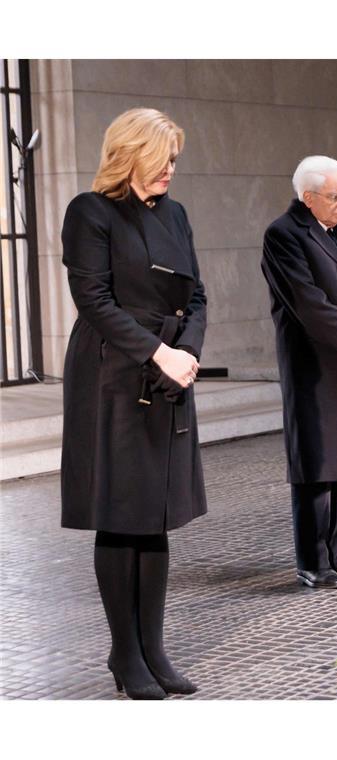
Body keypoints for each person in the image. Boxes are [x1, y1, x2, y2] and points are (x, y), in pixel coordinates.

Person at [60, 107, 206, 699]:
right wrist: (156, 353)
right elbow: (93, 299)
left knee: (157, 514)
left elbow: (196, 295)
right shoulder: (90, 212)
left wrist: (187, 353)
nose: (171, 168)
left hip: (170, 372)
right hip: (113, 376)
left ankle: (154, 650)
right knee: (122, 515)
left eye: (174, 158)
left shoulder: (176, 214)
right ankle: (126, 656)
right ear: (131, 152)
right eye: (163, 157)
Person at [262, 156, 337, 590]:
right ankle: (312, 560)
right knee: (318, 465)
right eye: (335, 196)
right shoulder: (283, 235)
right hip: (314, 368)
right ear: (308, 197)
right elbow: (309, 303)